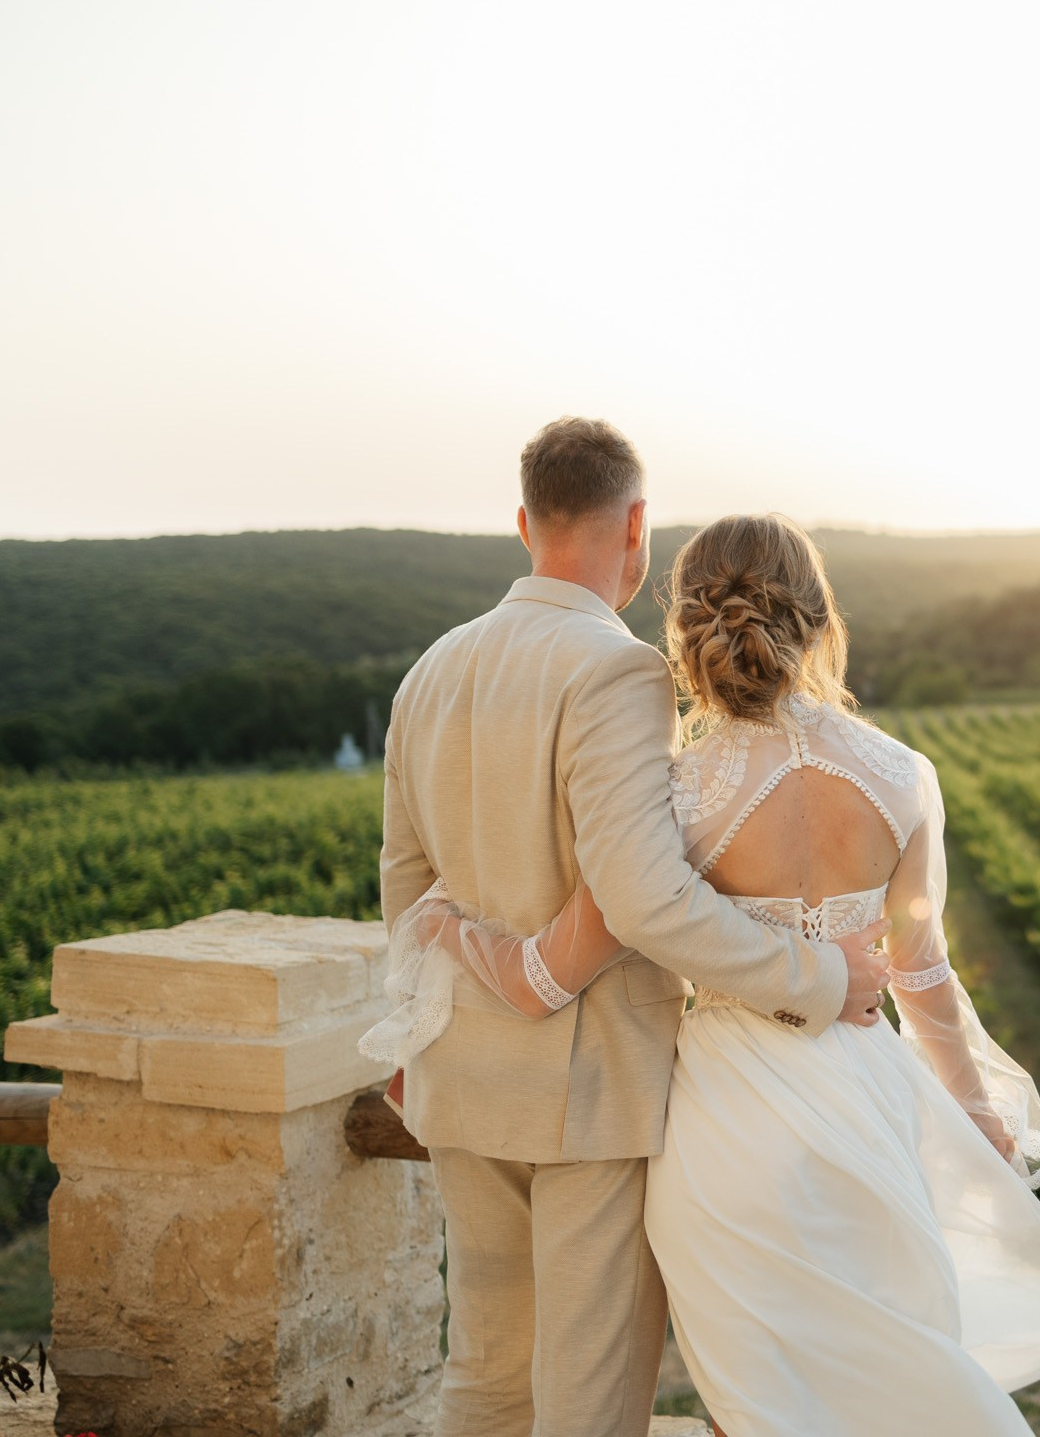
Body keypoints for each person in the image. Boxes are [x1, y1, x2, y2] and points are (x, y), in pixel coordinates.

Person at [384, 512, 1040, 1436]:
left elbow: (611, 923)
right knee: (879, 1367)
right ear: (821, 617)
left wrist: (447, 934)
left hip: (720, 1122)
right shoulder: (905, 776)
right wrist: (977, 1110)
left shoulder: (678, 796)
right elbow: (925, 977)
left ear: (689, 631)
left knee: (754, 1401)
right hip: (866, 1108)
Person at [368, 419, 895, 1437]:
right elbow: (647, 897)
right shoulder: (616, 672)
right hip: (587, 1093)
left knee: (482, 1370)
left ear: (526, 521)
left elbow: (404, 881)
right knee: (589, 1392)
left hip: (456, 1075)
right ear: (638, 526)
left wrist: (417, 1027)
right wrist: (820, 976)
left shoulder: (431, 668)